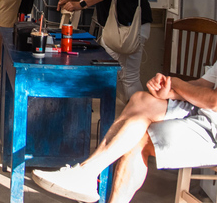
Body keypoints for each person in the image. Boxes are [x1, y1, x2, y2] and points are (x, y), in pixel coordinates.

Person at [32, 69, 217, 203]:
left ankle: (86, 175)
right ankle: (87, 172)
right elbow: (203, 85)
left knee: (140, 138)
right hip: (203, 112)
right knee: (140, 100)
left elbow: (213, 101)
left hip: (213, 131)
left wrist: (176, 83)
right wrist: (169, 90)